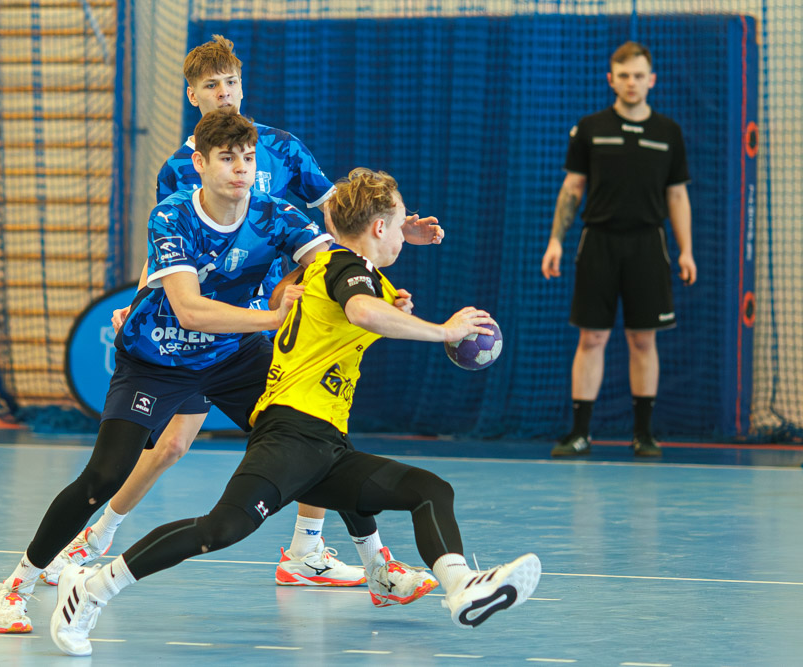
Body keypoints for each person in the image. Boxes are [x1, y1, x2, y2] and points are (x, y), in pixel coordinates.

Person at [49, 168, 542, 657]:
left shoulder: (341, 271)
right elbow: (362, 312)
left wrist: (396, 295)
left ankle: (461, 586)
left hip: (326, 444)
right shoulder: (346, 268)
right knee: (221, 529)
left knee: (430, 490)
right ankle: (91, 588)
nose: (401, 234)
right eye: (396, 224)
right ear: (377, 228)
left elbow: (351, 303)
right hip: (290, 435)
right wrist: (445, 331)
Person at [0, 112, 437, 635]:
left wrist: (388, 245)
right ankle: (16, 584)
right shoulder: (172, 216)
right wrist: (271, 318)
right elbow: (190, 311)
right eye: (227, 158)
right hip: (157, 358)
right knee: (103, 476)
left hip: (231, 356)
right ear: (199, 163)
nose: (241, 168)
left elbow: (340, 261)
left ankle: (379, 568)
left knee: (319, 438)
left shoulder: (276, 215)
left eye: (247, 158)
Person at [42, 34, 444, 589]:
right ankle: (92, 540)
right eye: (212, 85)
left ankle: (322, 552)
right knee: (172, 445)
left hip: (266, 322)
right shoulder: (178, 170)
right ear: (193, 96)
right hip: (201, 323)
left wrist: (391, 238)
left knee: (310, 429)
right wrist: (139, 305)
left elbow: (343, 216)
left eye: (231, 82)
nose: (225, 93)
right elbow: (164, 253)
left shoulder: (281, 149)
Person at [540, 41, 697, 458]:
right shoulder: (590, 128)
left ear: (652, 80)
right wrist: (555, 240)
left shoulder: (668, 133)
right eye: (624, 75)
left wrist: (686, 250)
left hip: (648, 245)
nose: (632, 82)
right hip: (599, 243)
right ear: (611, 79)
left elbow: (677, 196)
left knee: (643, 340)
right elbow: (572, 188)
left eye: (639, 75)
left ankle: (643, 434)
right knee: (591, 338)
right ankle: (579, 434)